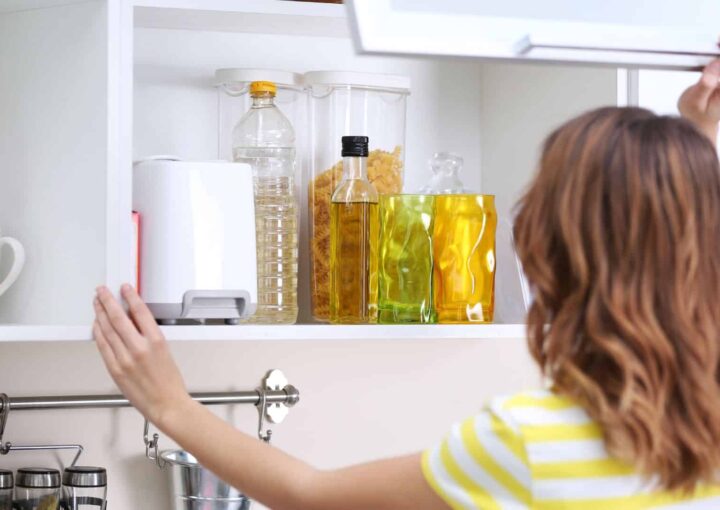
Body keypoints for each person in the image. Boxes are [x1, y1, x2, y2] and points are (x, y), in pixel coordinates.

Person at [93, 59, 720, 510]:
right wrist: (693, 149)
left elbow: (308, 495)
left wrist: (169, 404)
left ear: (548, 257)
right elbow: (676, 242)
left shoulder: (530, 443)